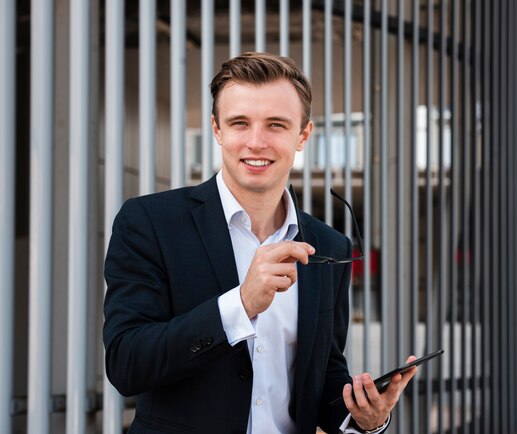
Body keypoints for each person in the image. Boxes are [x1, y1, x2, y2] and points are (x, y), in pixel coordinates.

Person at [103, 52, 417, 434]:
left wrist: (365, 419)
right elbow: (127, 363)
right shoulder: (150, 222)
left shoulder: (329, 245)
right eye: (240, 123)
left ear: (302, 135)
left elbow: (324, 371)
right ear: (217, 130)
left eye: (275, 125)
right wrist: (240, 305)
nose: (256, 142)